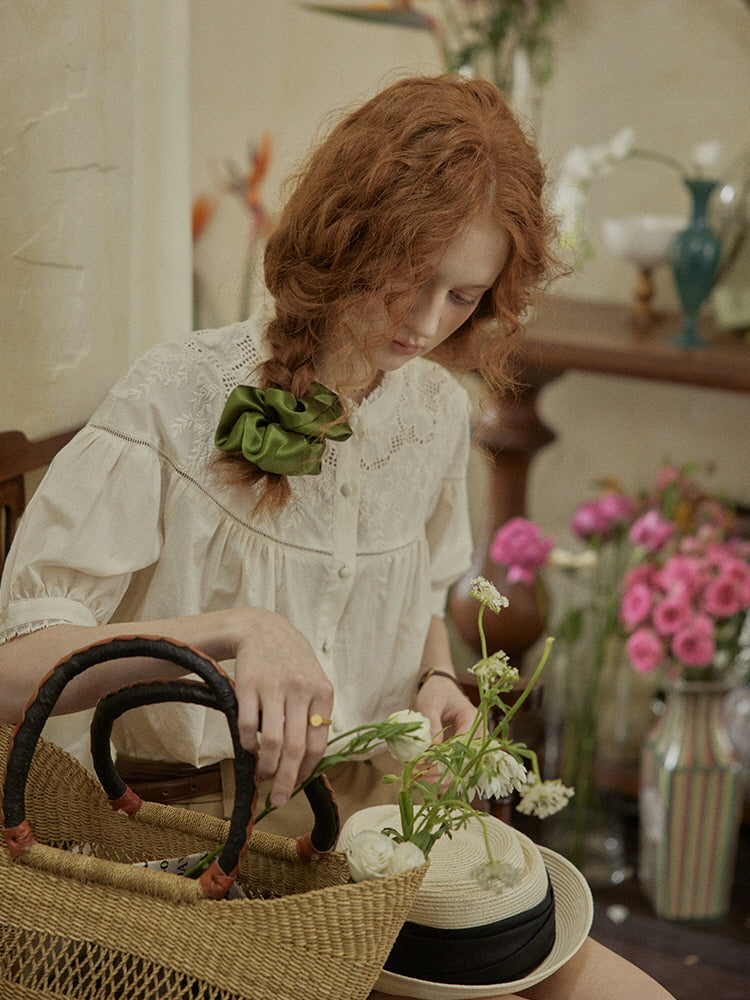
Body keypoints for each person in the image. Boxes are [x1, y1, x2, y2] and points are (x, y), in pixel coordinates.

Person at [0, 74, 675, 1000]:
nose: (429, 324)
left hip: (372, 828)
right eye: (413, 278)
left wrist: (438, 676)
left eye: (464, 296)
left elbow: (426, 593)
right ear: (349, 233)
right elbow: (14, 670)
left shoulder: (435, 410)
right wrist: (234, 631)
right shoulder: (176, 393)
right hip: (184, 844)